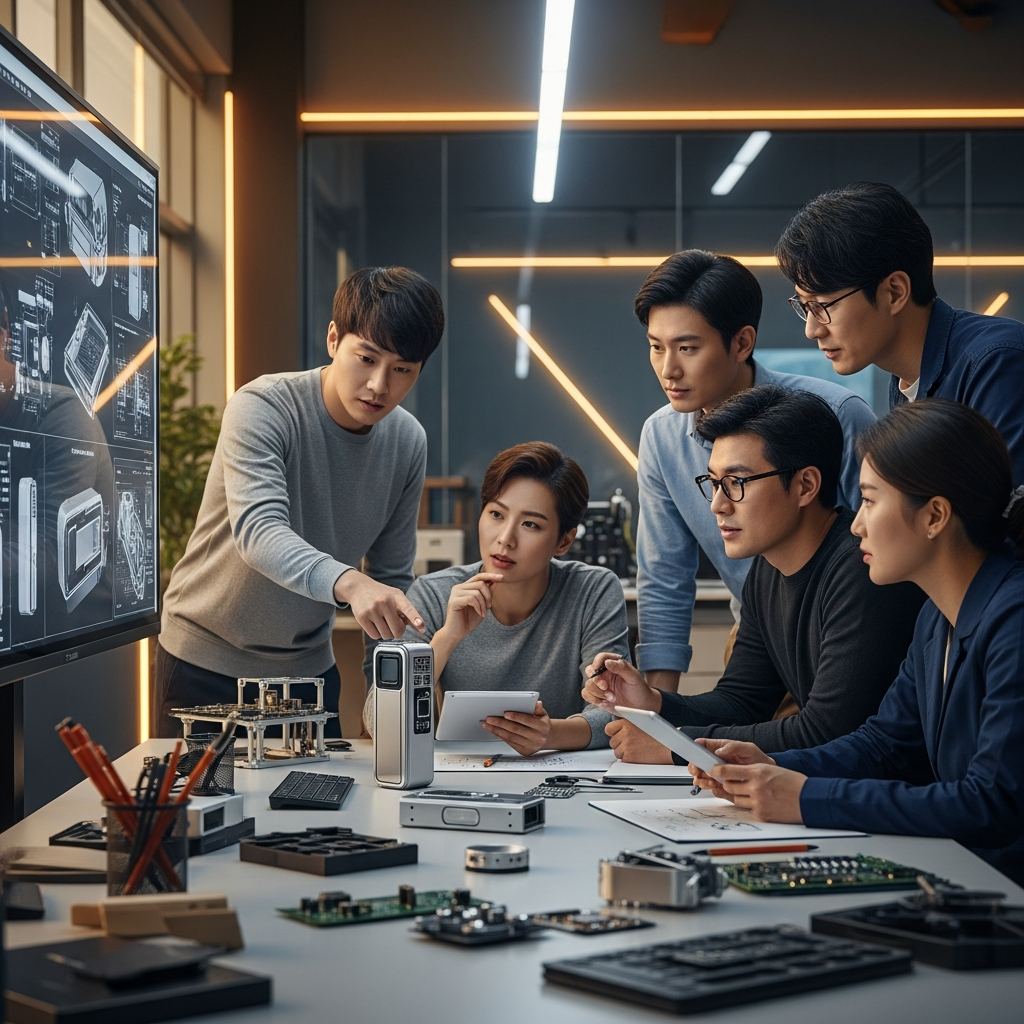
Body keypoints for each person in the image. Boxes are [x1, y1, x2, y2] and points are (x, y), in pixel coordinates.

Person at [684, 399, 1024, 886]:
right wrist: (772, 765)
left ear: (934, 517)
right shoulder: (936, 617)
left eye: (869, 500)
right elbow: (883, 744)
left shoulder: (1012, 618)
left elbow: (991, 802)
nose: (857, 524)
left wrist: (804, 798)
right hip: (963, 877)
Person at [156, 267, 445, 736]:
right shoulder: (264, 405)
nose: (379, 385)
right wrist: (350, 583)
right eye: (366, 358)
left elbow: (391, 577)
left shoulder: (408, 441)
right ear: (334, 339)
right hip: (204, 661)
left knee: (325, 808)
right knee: (198, 809)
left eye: (402, 370)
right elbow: (260, 532)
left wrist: (383, 700)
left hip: (307, 673)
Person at [583, 386, 923, 763]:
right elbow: (742, 700)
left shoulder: (862, 572)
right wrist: (656, 702)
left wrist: (680, 747)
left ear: (805, 486)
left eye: (737, 483)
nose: (717, 505)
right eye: (713, 483)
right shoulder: (767, 566)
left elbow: (828, 731)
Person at [633, 250, 875, 695]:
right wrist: (655, 707)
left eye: (687, 347)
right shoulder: (661, 437)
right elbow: (665, 575)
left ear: (742, 343)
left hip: (850, 639)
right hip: (754, 642)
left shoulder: (838, 415)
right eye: (656, 347)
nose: (668, 369)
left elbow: (880, 552)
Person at [363, 442, 629, 754]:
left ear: (564, 540)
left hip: (558, 777)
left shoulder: (592, 591)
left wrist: (551, 735)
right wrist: (447, 638)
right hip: (457, 779)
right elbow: (377, 721)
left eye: (530, 524)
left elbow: (615, 708)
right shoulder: (434, 593)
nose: (505, 538)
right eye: (496, 514)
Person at [776, 180, 1024, 480]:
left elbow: (1002, 521)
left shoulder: (996, 363)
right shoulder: (907, 382)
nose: (812, 330)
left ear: (894, 292)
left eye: (823, 305)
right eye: (804, 306)